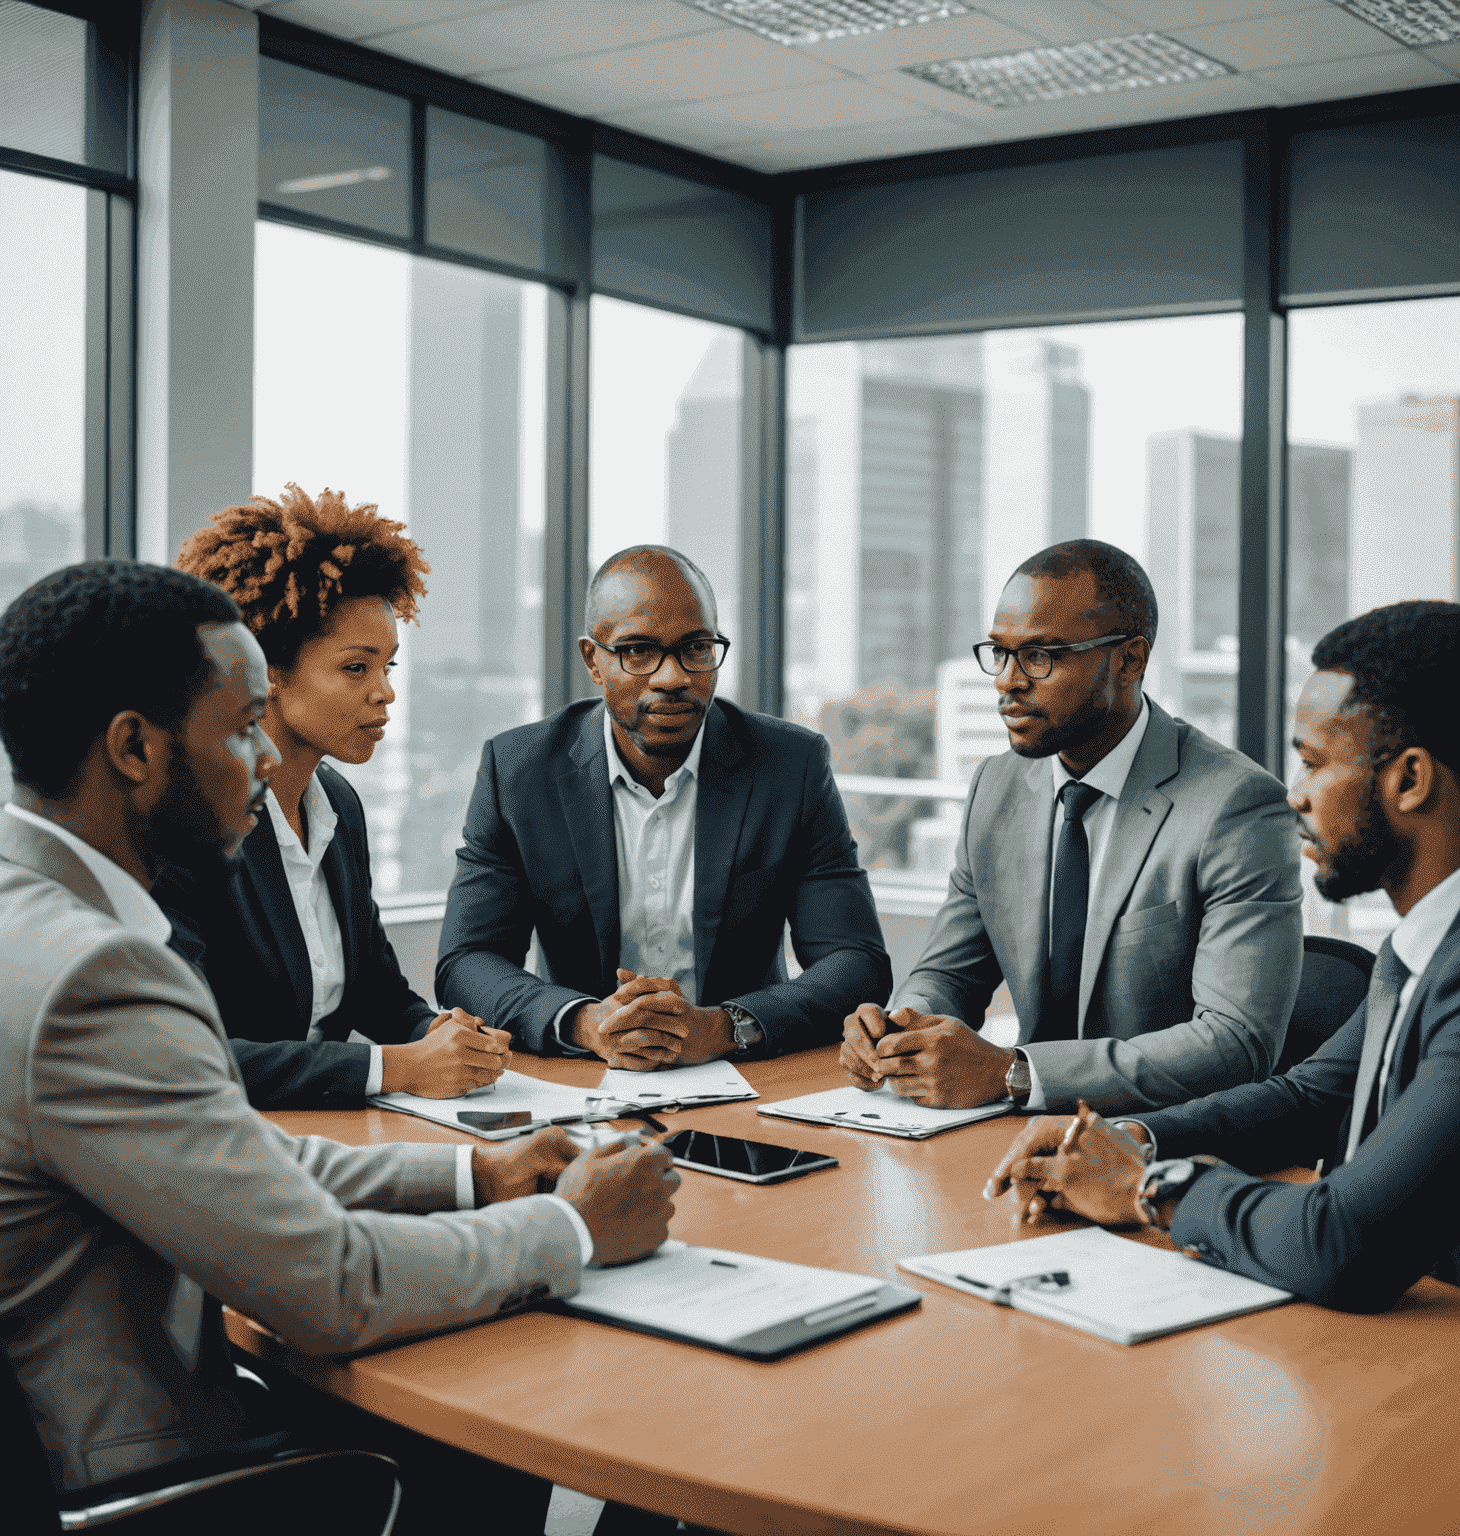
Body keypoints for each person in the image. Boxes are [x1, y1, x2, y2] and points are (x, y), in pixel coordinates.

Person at [0, 560, 678, 1526]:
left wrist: (469, 1179)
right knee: (499, 1404)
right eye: (241, 728)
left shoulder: (27, 924)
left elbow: (225, 1155)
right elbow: (332, 1288)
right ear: (135, 749)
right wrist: (573, 1227)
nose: (266, 758)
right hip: (144, 1482)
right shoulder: (95, 979)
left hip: (91, 1430)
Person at [987, 601, 1460, 1319]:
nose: (1294, 794)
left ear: (1409, 780)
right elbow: (1310, 1097)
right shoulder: (1448, 928)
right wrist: (1129, 1138)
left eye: (1311, 762)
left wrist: (1148, 1189)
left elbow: (1346, 1241)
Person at [841, 539, 1302, 1114]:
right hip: (1012, 1137)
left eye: (1040, 656)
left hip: (1159, 1148)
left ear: (1130, 659)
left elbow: (1235, 1043)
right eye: (999, 652)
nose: (1006, 681)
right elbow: (949, 973)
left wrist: (1015, 1073)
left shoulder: (1236, 807)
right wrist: (901, 1030)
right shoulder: (997, 787)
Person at [436, 544, 891, 1069]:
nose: (672, 677)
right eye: (638, 651)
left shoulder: (790, 766)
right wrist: (587, 1023)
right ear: (593, 661)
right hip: (581, 1080)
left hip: (744, 1077)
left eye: (696, 648)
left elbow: (855, 962)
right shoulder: (520, 771)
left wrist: (723, 1027)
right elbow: (465, 961)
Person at [157, 485, 506, 1108]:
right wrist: (395, 1067)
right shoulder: (192, 820)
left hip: (341, 1131)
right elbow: (191, 1056)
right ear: (269, 669)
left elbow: (376, 990)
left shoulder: (339, 804)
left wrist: (440, 1034)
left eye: (389, 667)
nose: (385, 693)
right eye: (355, 668)